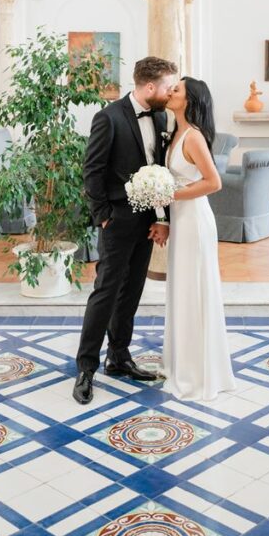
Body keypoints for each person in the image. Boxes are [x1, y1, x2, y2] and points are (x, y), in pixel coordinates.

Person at [73, 56, 178, 404]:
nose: (171, 92)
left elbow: (160, 169)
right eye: (168, 87)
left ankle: (119, 356)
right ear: (150, 87)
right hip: (117, 220)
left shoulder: (162, 116)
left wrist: (161, 217)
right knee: (105, 292)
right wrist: (104, 216)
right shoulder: (109, 117)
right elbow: (93, 170)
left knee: (131, 291)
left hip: (148, 220)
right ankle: (85, 367)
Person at [162, 77, 236, 401]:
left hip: (194, 221)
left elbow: (214, 182)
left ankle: (197, 374)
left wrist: (170, 193)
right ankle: (183, 365)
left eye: (176, 89)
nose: (169, 92)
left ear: (189, 100)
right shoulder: (175, 133)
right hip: (181, 221)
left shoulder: (193, 137)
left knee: (194, 292)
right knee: (182, 292)